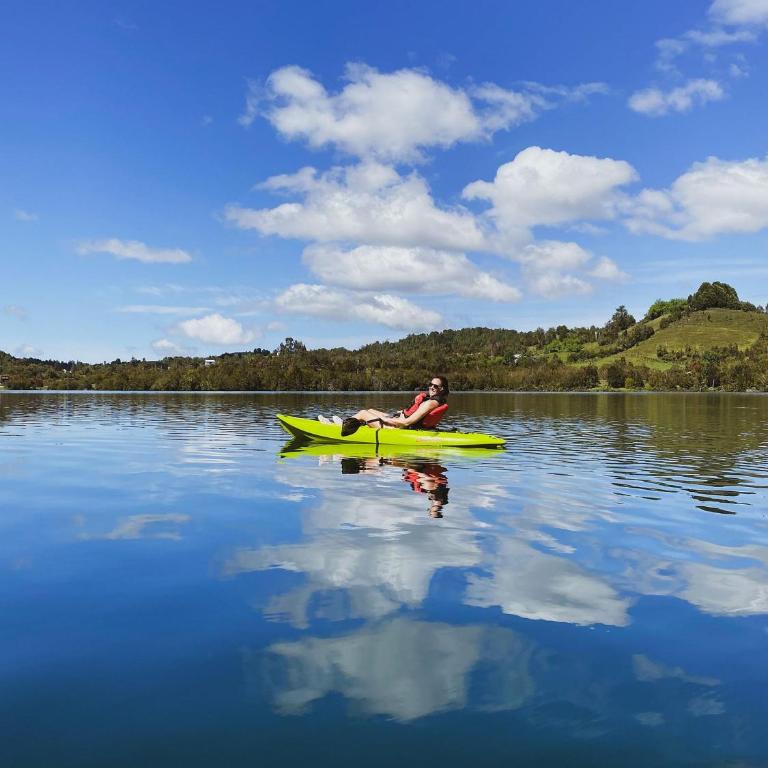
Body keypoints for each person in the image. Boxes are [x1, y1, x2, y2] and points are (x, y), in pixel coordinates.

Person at [353, 376, 450, 430]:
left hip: (398, 428)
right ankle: (354, 425)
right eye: (430, 384)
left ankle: (345, 428)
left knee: (363, 413)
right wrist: (400, 413)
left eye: (435, 386)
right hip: (400, 423)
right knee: (370, 410)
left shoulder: (430, 403)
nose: (431, 387)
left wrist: (386, 419)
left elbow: (407, 422)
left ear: (441, 389)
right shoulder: (436, 401)